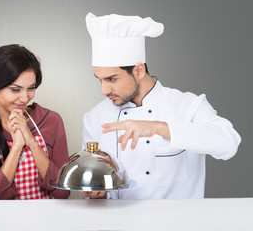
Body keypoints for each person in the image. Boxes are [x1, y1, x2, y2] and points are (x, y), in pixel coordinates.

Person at [81, 13, 241, 199]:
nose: (104, 90)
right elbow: (91, 190)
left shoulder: (189, 105)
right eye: (99, 80)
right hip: (120, 224)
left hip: (178, 223)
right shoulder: (94, 118)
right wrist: (95, 193)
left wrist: (159, 128)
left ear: (139, 70)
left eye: (112, 79)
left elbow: (229, 144)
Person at [0, 44, 70, 199]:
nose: (25, 98)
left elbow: (63, 192)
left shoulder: (52, 121)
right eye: (15, 89)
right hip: (2, 222)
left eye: (31, 88)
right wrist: (17, 147)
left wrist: (32, 143)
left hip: (46, 220)